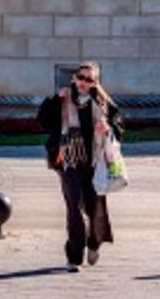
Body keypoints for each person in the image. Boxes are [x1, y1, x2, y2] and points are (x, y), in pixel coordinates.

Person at [37, 62, 123, 272]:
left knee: (94, 208)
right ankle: (74, 257)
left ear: (95, 82)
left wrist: (108, 128)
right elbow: (43, 121)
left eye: (89, 79)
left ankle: (94, 243)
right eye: (81, 77)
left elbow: (119, 127)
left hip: (94, 162)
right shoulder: (62, 98)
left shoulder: (103, 103)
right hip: (68, 161)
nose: (84, 82)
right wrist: (55, 100)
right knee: (73, 206)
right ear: (74, 78)